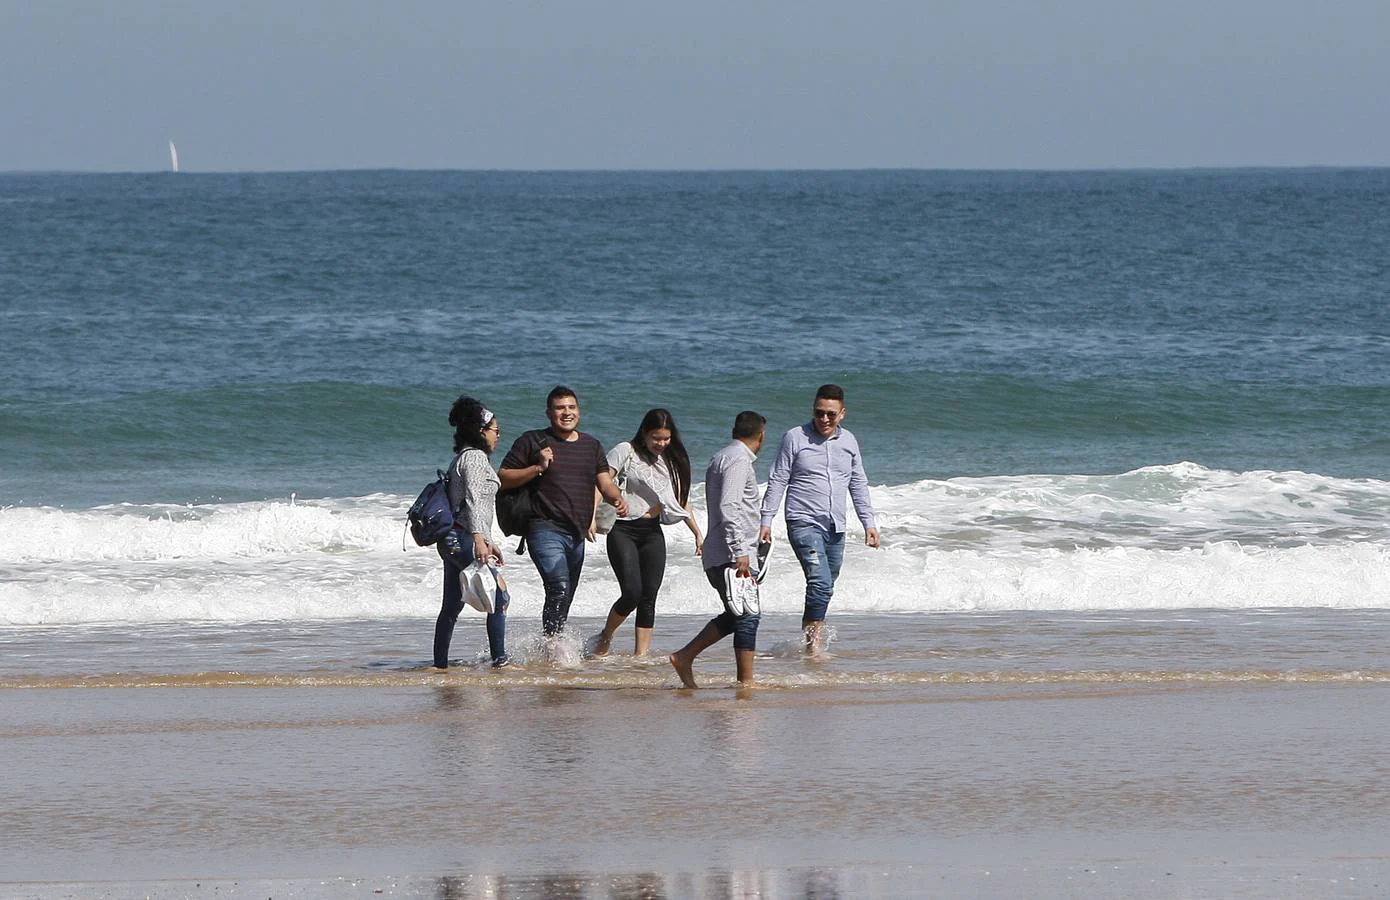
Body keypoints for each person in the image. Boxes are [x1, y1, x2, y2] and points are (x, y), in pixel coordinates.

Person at [758, 384, 880, 654]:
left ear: (842, 414)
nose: (824, 419)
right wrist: (766, 520)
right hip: (802, 521)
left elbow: (858, 483)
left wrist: (868, 523)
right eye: (819, 413)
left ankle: (808, 642)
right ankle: (813, 648)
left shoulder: (849, 441)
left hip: (836, 525)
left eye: (830, 414)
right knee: (820, 582)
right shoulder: (795, 437)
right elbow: (778, 478)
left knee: (826, 584)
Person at [499, 386, 628, 638]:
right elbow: (503, 478)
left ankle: (550, 642)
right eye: (560, 408)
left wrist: (616, 498)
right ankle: (552, 647)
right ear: (549, 413)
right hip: (544, 528)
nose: (566, 413)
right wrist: (538, 467)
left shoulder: (592, 445)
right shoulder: (532, 441)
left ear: (578, 411)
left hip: (576, 533)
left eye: (571, 407)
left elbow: (604, 482)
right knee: (558, 587)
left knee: (566, 592)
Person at [592, 409, 704, 657]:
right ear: (644, 433)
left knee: (649, 597)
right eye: (656, 438)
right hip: (624, 530)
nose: (662, 444)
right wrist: (590, 516)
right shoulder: (626, 451)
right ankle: (606, 635)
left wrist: (697, 532)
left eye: (666, 438)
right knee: (632, 592)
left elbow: (680, 500)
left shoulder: (670, 460)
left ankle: (640, 657)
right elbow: (602, 482)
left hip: (652, 532)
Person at [669, 411, 767, 688]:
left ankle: (685, 656)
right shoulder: (738, 461)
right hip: (730, 553)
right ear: (761, 435)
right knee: (748, 616)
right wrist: (740, 551)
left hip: (719, 551)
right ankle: (745, 683)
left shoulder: (721, 456)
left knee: (738, 615)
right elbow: (729, 506)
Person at [434, 396, 510, 669]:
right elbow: (475, 500)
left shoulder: (461, 458)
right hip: (466, 536)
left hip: (451, 540)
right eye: (495, 430)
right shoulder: (476, 458)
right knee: (500, 596)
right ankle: (500, 661)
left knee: (452, 607)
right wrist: (480, 539)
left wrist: (489, 541)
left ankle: (439, 664)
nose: (498, 436)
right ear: (481, 431)